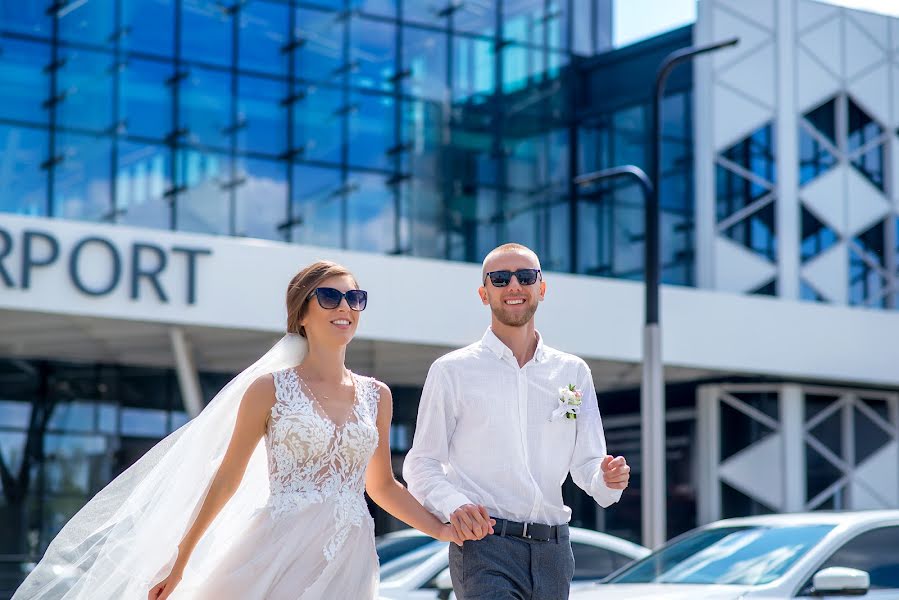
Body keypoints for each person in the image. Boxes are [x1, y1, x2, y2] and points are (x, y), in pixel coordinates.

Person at [14, 260, 475, 600]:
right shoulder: (269, 390)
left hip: (349, 557)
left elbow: (382, 486)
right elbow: (228, 479)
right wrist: (181, 558)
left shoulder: (379, 395)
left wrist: (443, 530)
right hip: (275, 548)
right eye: (330, 297)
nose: (346, 308)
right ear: (302, 313)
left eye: (355, 299)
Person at [403, 243, 631, 600]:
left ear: (541, 288)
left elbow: (587, 463)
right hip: (484, 545)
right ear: (484, 293)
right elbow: (421, 463)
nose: (513, 286)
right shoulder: (452, 371)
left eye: (525, 276)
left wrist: (607, 477)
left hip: (555, 550)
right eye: (500, 278)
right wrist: (455, 506)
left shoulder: (572, 371)